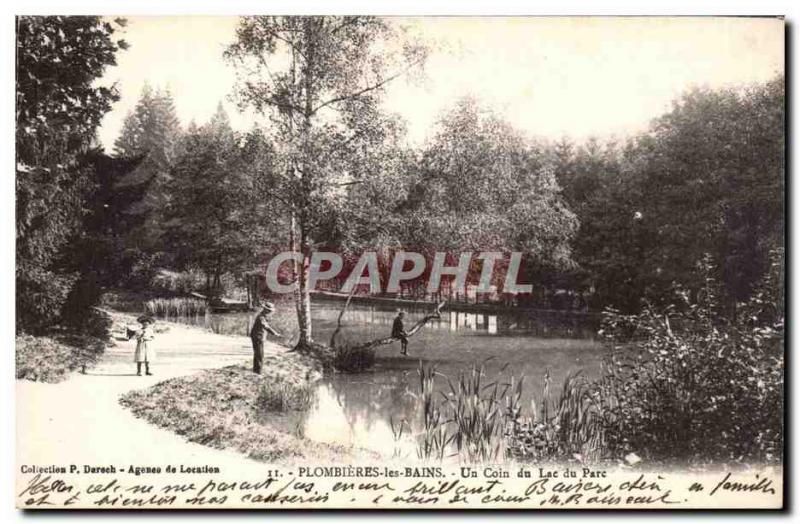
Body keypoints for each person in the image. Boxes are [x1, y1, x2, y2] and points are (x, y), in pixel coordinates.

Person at [250, 302, 281, 374]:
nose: (271, 312)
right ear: (265, 310)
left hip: (259, 336)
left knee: (258, 353)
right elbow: (266, 326)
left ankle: (256, 370)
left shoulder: (264, 316)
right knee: (260, 354)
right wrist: (274, 333)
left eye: (271, 311)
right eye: (269, 310)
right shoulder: (261, 317)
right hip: (257, 337)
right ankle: (258, 372)